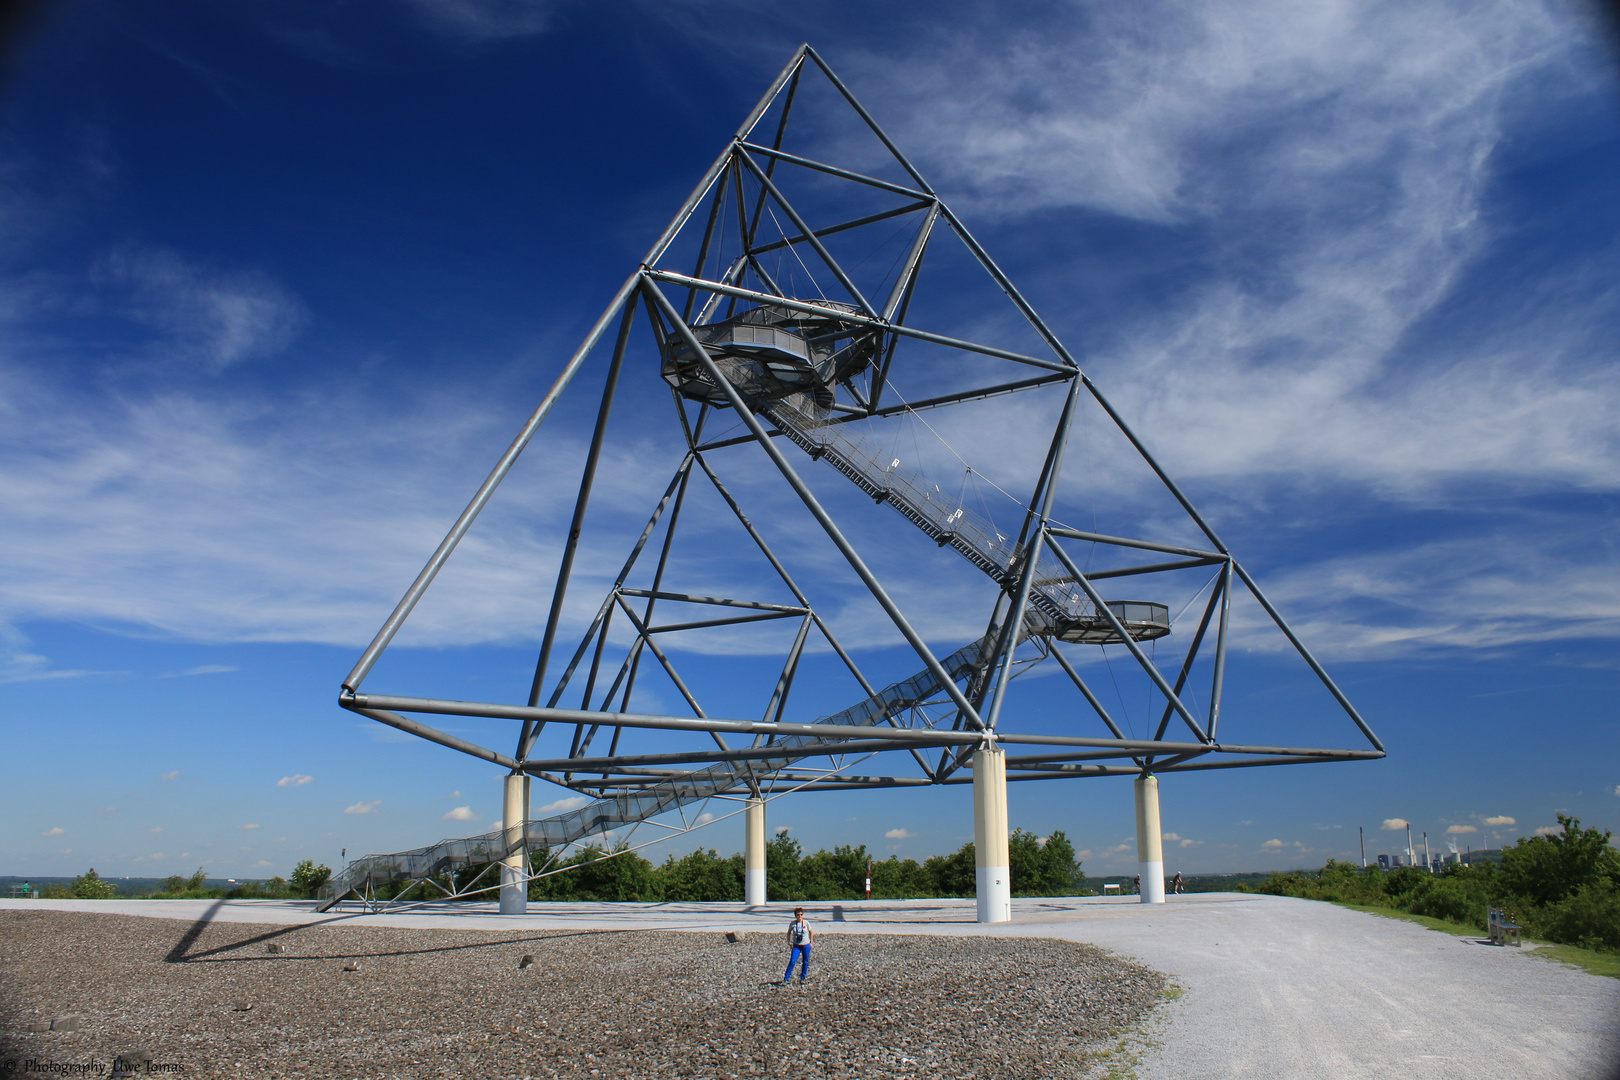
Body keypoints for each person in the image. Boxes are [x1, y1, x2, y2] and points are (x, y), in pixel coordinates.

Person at [783, 906, 813, 984]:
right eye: (798, 915)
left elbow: (811, 932)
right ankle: (786, 978)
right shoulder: (793, 924)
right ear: (795, 915)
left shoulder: (806, 923)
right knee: (792, 961)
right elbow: (789, 932)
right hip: (796, 945)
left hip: (806, 944)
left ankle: (803, 977)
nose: (799, 916)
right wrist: (789, 941)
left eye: (801, 914)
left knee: (805, 961)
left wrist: (811, 942)